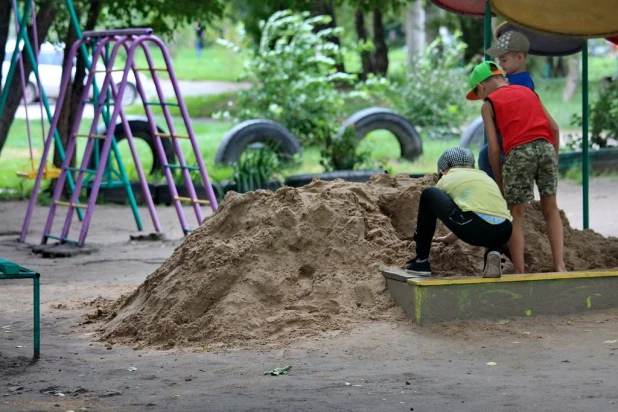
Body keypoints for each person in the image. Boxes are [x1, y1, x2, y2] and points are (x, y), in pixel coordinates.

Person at [466, 61, 566, 274]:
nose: (481, 98)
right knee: (551, 208)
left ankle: (520, 271)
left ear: (481, 87)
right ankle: (560, 266)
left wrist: (500, 183)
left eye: (478, 93)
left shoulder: (489, 104)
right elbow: (555, 128)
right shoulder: (528, 92)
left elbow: (494, 149)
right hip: (546, 147)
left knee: (515, 213)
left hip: (519, 152)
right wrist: (552, 159)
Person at [405, 147, 513, 278]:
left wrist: (421, 236)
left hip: (474, 227)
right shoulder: (485, 178)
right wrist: (448, 238)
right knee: (488, 217)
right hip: (504, 230)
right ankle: (493, 252)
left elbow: (465, 218)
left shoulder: (447, 178)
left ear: (442, 171)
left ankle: (420, 262)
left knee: (429, 194)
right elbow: (475, 211)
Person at [478, 30, 535, 180]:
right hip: (508, 130)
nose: (501, 65)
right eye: (499, 61)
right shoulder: (508, 77)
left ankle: (495, 191)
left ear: (520, 57)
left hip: (516, 132)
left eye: (504, 60)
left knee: (486, 156)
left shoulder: (524, 83)